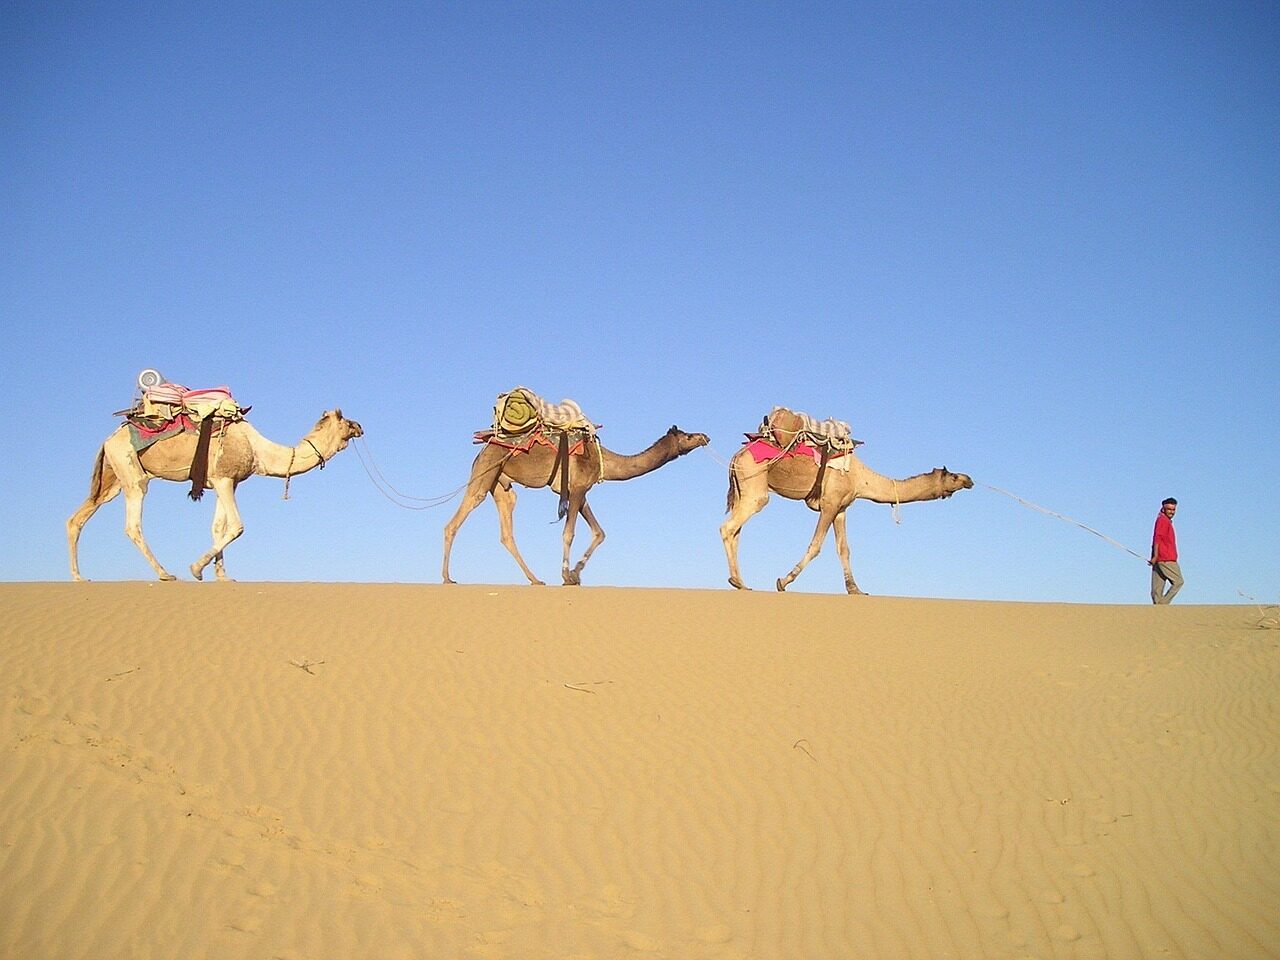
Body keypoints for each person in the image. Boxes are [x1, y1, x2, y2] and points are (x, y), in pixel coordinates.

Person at [1149, 498, 1183, 604]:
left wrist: (1155, 557)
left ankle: (1158, 612)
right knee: (1178, 581)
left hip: (1159, 559)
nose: (1171, 512)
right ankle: (1162, 606)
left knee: (1156, 590)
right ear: (1163, 508)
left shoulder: (1163, 520)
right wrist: (1155, 555)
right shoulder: (1163, 521)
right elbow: (1157, 538)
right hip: (1166, 558)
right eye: (1169, 509)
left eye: (1173, 510)